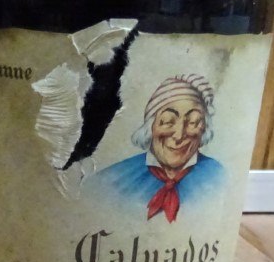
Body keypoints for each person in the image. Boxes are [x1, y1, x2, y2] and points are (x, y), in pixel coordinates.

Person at [89, 74, 225, 223]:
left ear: (204, 128)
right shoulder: (112, 180)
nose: (179, 135)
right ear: (150, 126)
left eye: (193, 122)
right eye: (167, 121)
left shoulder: (220, 177)